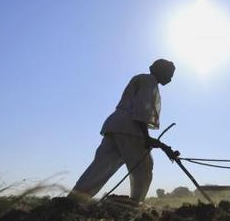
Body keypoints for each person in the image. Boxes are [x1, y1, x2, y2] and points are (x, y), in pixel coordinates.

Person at [69, 59, 176, 205]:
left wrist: (156, 143)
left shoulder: (141, 79)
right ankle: (134, 204)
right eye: (170, 74)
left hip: (115, 125)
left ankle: (73, 201)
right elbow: (141, 108)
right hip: (129, 128)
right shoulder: (149, 81)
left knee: (100, 167)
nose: (170, 79)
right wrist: (146, 137)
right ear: (161, 71)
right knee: (143, 168)